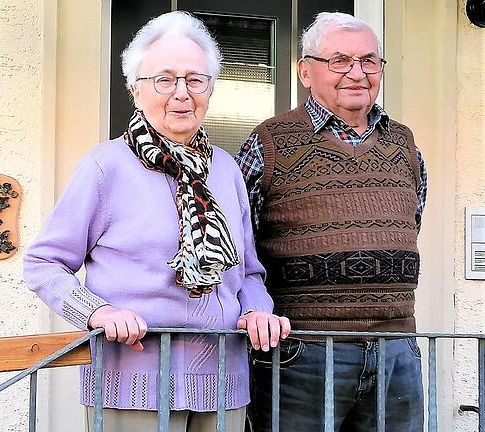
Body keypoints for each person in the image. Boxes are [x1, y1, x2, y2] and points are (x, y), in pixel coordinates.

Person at [24, 11, 290, 432]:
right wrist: (98, 312)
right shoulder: (104, 166)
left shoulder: (226, 170)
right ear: (135, 90)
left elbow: (249, 273)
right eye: (164, 79)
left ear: (210, 89)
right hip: (132, 381)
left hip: (223, 382)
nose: (181, 93)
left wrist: (259, 311)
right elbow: (44, 264)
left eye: (195, 80)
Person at [236, 12, 427, 432]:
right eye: (339, 60)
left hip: (396, 349)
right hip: (301, 351)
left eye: (369, 61)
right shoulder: (269, 141)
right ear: (306, 71)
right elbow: (238, 242)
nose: (357, 73)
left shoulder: (404, 142)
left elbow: (411, 221)